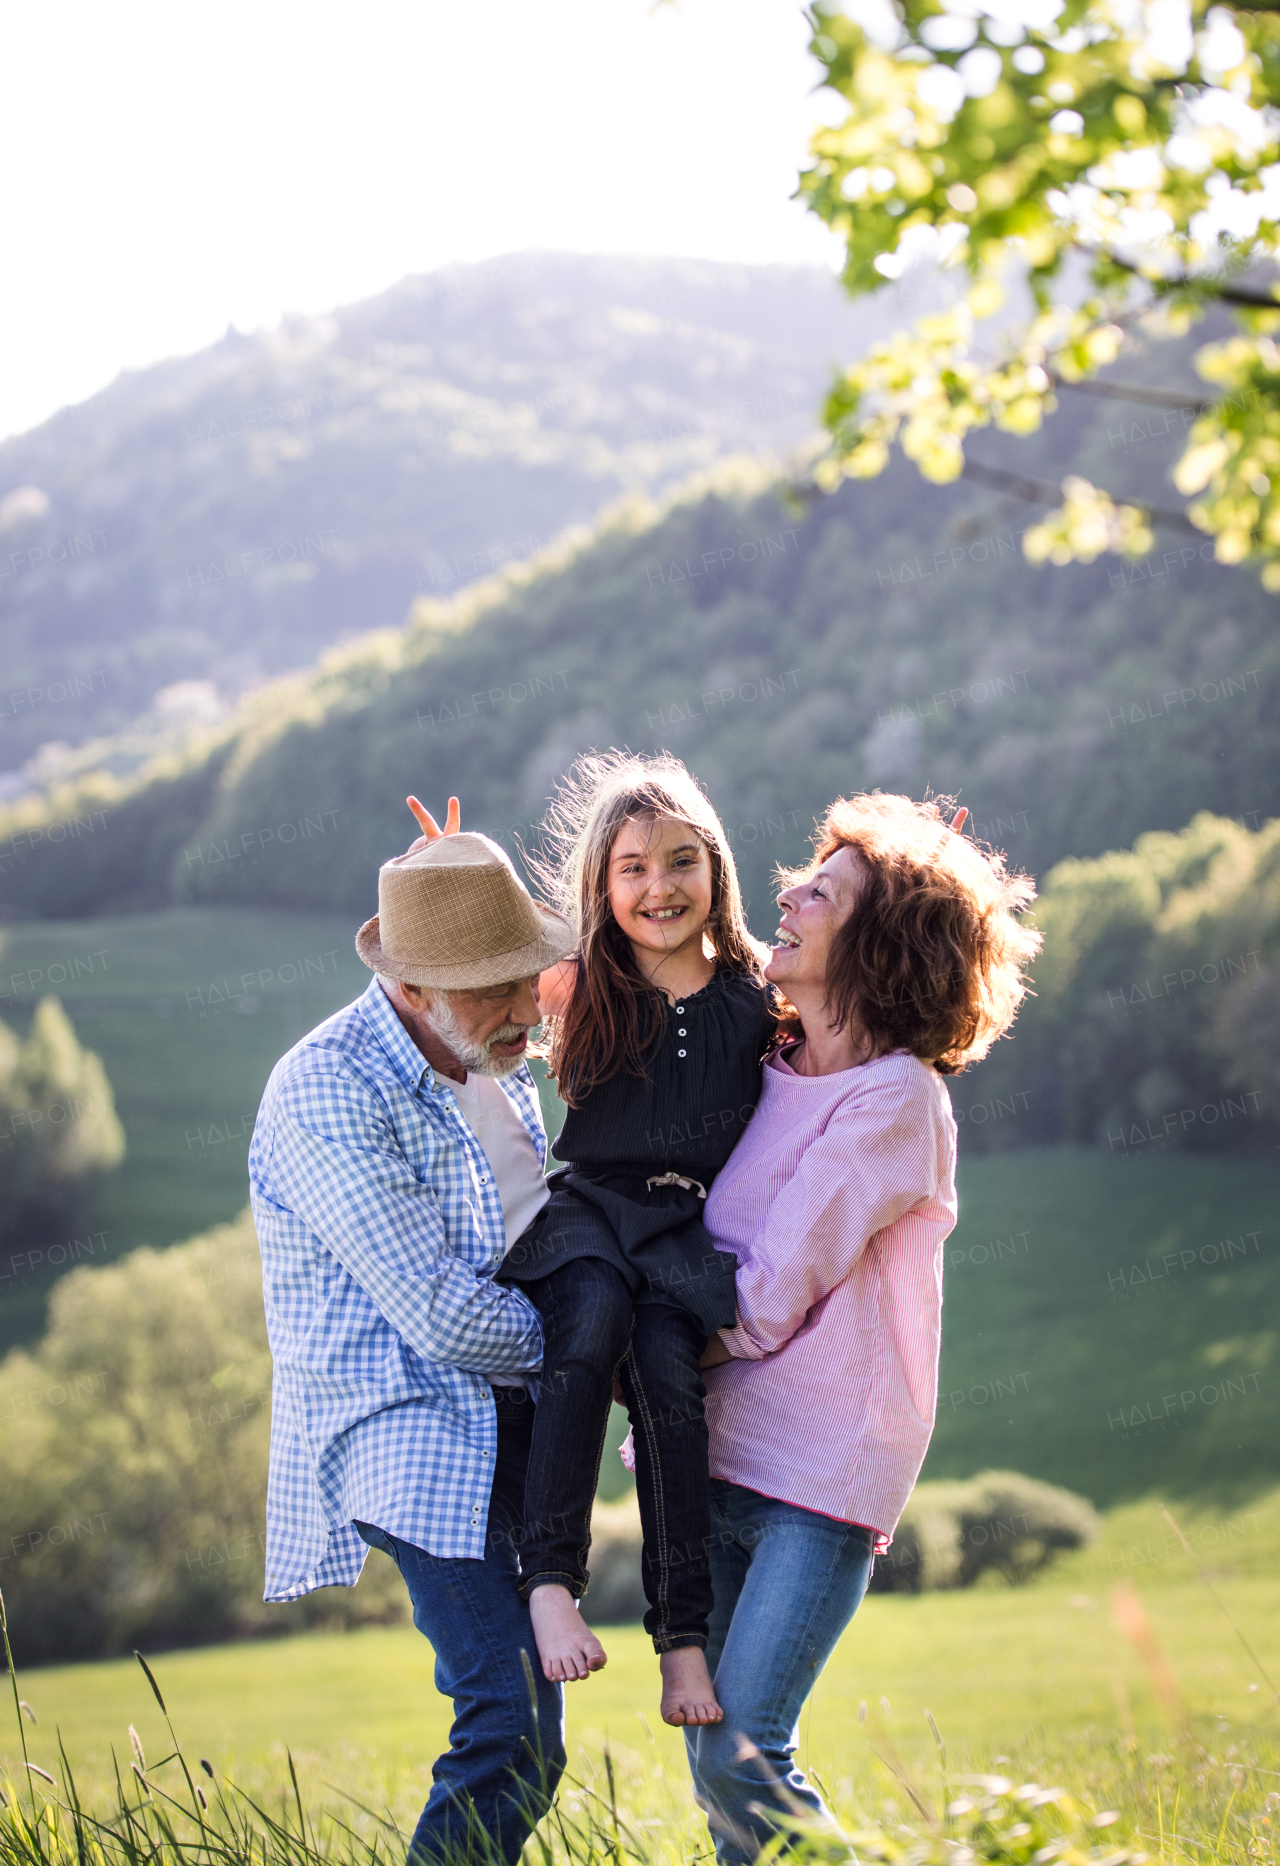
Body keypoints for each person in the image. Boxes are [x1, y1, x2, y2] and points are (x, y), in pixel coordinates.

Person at [685, 792, 1041, 1865]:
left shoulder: (895, 1100)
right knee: (711, 1755)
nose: (785, 895)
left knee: (742, 1746)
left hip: (818, 1476)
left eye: (822, 894)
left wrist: (636, 1353)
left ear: (878, 945)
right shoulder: (760, 1074)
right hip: (710, 1453)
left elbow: (765, 1292)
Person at [410, 755, 774, 1727]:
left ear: (716, 868)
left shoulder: (757, 998)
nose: (659, 887)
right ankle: (549, 1577)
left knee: (669, 1389)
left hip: (680, 1237)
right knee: (590, 1320)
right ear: (601, 887)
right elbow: (464, 981)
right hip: (586, 1215)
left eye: (681, 861)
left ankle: (682, 1641)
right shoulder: (575, 984)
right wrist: (441, 875)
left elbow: (864, 994)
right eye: (632, 868)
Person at [248, 810, 576, 1866]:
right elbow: (439, 1311)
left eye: (527, 972)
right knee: (511, 1728)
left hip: (500, 1411)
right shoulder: (328, 1086)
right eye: (498, 980)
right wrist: (592, 1351)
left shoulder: (487, 1057)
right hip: (406, 1427)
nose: (530, 1002)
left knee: (530, 1738)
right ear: (410, 984)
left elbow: (528, 1230)